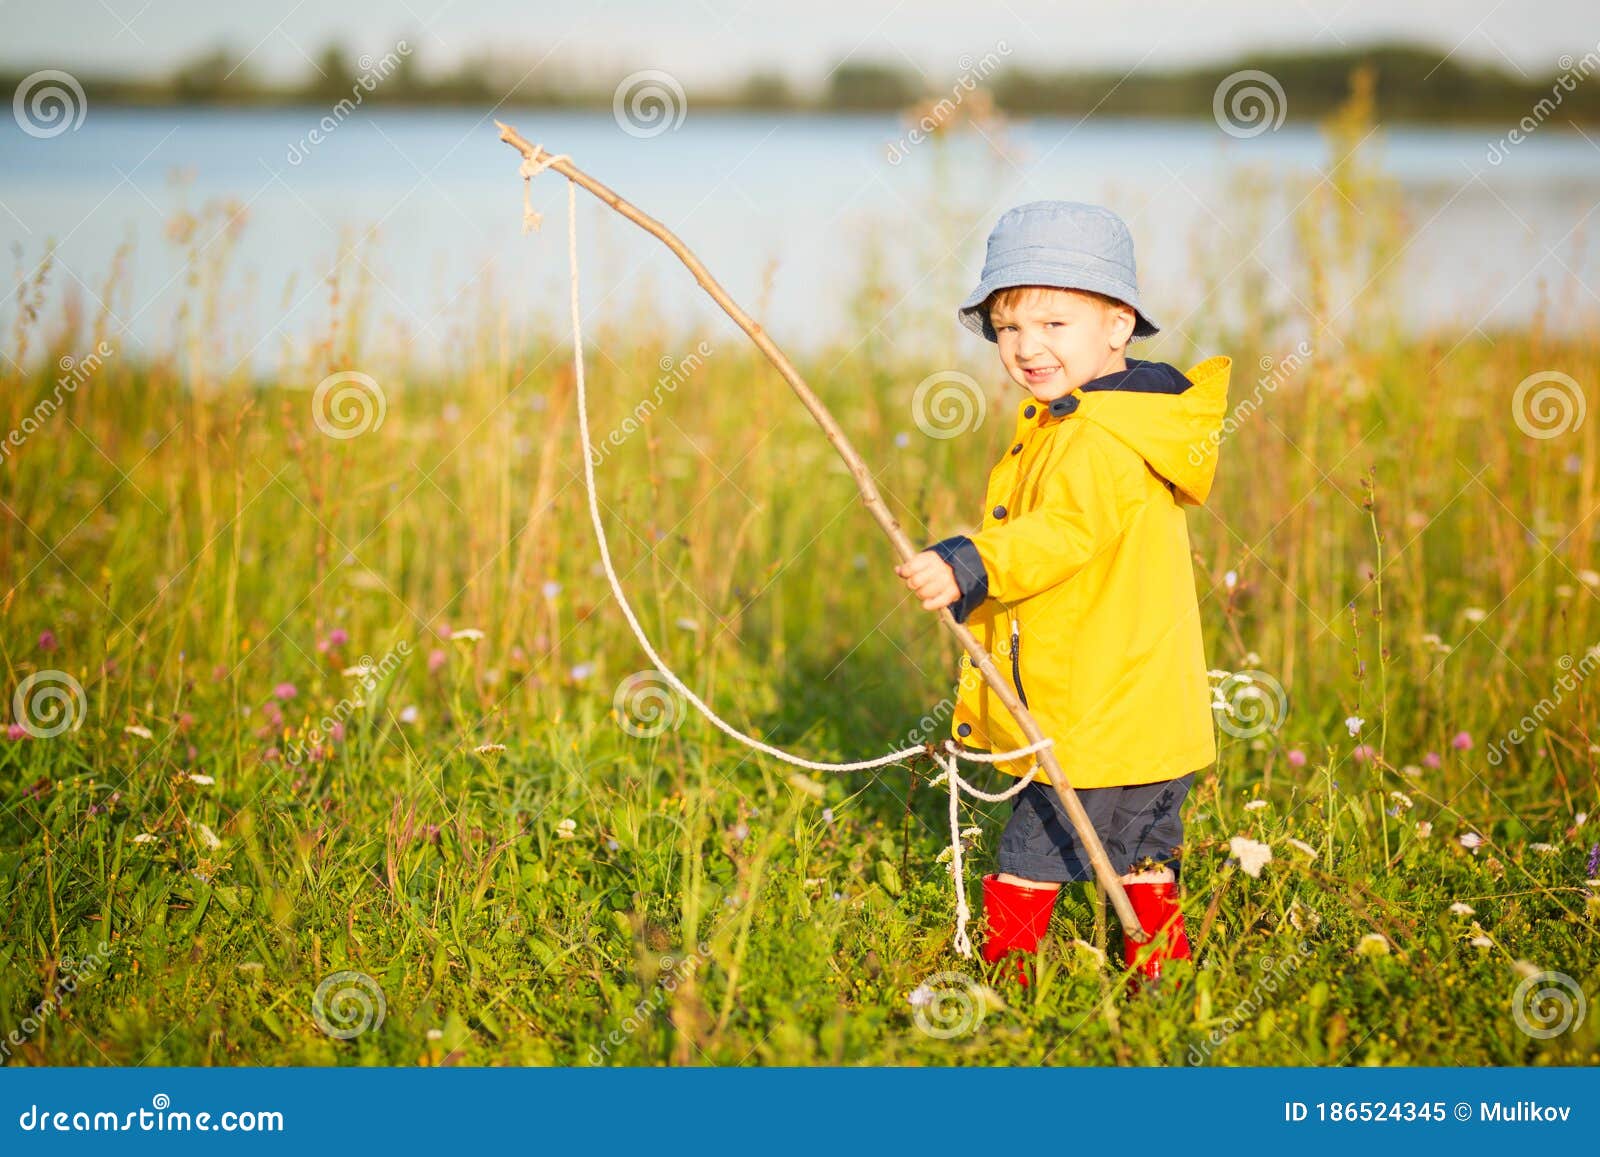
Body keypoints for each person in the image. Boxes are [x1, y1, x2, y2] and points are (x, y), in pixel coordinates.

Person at [894, 200, 1232, 993]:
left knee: (1032, 851)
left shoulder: (1101, 434)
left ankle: (1013, 988)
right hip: (1148, 711)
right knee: (1142, 850)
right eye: (1007, 326)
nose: (1026, 346)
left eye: (1053, 323)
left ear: (1118, 325)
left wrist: (970, 563)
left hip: (1096, 713)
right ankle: (1160, 980)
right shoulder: (1111, 417)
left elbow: (1062, 534)